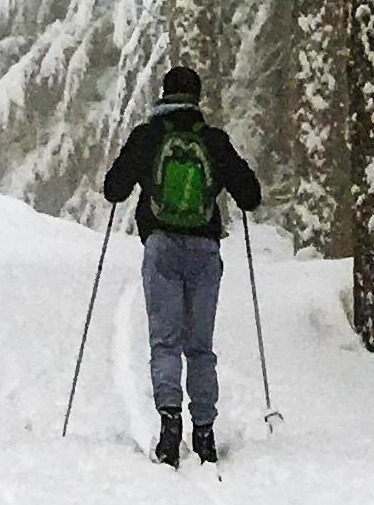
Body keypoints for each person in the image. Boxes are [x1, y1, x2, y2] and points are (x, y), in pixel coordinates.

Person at [101, 65, 262, 468]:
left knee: (165, 341)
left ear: (163, 94)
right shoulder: (212, 141)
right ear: (196, 97)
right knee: (200, 345)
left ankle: (170, 424)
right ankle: (204, 431)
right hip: (205, 252)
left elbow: (113, 188)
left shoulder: (148, 137)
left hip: (161, 248)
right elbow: (251, 195)